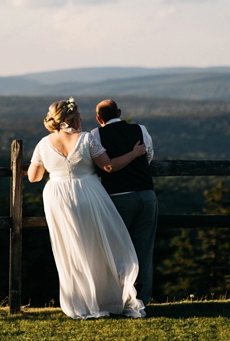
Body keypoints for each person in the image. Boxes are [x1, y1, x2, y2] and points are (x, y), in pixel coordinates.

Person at [27, 97, 148, 319]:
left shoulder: (43, 144)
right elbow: (109, 166)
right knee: (101, 246)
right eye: (80, 115)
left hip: (58, 198)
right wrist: (134, 153)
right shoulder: (86, 139)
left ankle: (82, 302)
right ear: (72, 118)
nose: (82, 119)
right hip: (89, 193)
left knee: (72, 249)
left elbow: (34, 177)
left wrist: (54, 169)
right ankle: (108, 297)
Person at [90, 98, 157, 306]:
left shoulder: (96, 134)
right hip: (146, 194)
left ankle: (120, 298)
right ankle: (142, 298)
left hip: (118, 196)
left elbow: (98, 163)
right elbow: (149, 156)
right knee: (144, 248)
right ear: (119, 112)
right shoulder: (140, 129)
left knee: (117, 249)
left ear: (99, 118)